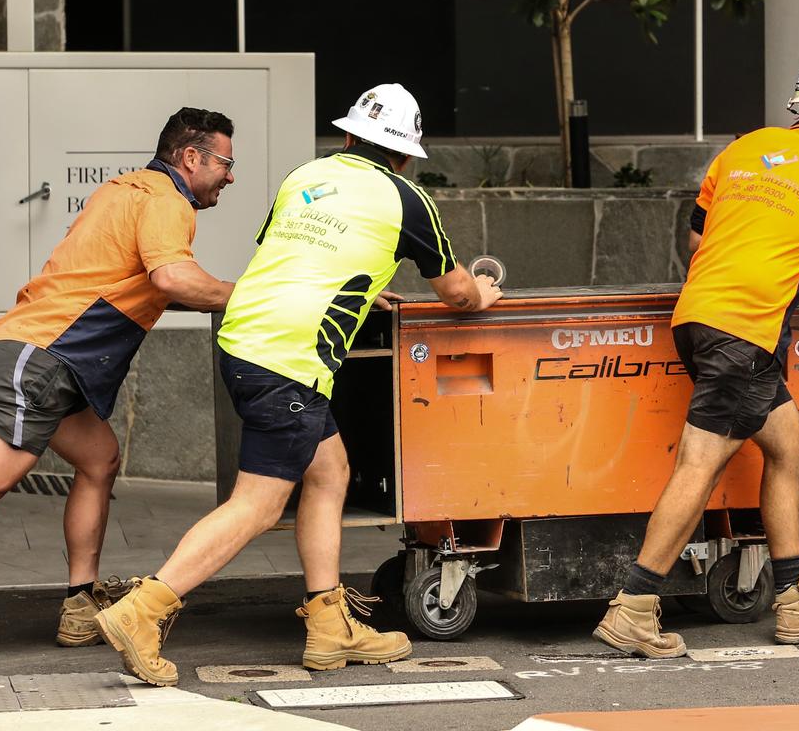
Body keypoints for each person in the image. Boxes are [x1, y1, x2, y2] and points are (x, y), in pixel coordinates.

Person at [94, 82, 503, 687]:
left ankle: (328, 623)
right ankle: (144, 609)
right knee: (256, 504)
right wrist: (484, 292)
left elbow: (291, 260)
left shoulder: (303, 176)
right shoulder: (408, 200)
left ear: (347, 136)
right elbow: (459, 294)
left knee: (329, 469)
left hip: (244, 337)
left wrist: (361, 285)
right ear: (406, 153)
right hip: (290, 356)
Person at [594, 51, 799, 658]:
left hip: (696, 318)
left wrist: (774, 257)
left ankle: (796, 596)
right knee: (700, 464)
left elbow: (701, 236)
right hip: (744, 331)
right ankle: (633, 606)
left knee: (789, 443)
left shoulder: (744, 149)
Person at [0, 108, 237, 647]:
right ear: (191, 157)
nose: (230, 175)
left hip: (48, 358)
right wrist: (254, 294)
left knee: (99, 458)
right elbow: (174, 277)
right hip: (41, 356)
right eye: (225, 162)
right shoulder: (166, 199)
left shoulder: (123, 190)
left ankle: (79, 603)